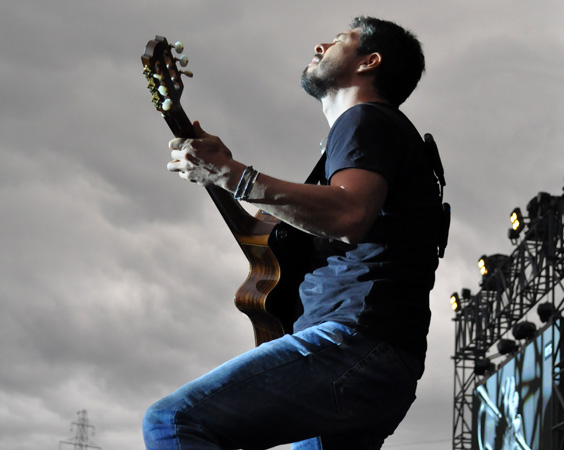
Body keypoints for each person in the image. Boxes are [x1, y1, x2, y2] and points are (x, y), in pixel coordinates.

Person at [143, 16, 444, 450]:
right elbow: (309, 227)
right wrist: (227, 169)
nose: (322, 45)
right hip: (382, 360)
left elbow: (349, 215)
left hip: (353, 341)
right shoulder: (375, 134)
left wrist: (231, 175)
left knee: (172, 422)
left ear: (369, 62)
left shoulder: (365, 121)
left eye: (341, 40)